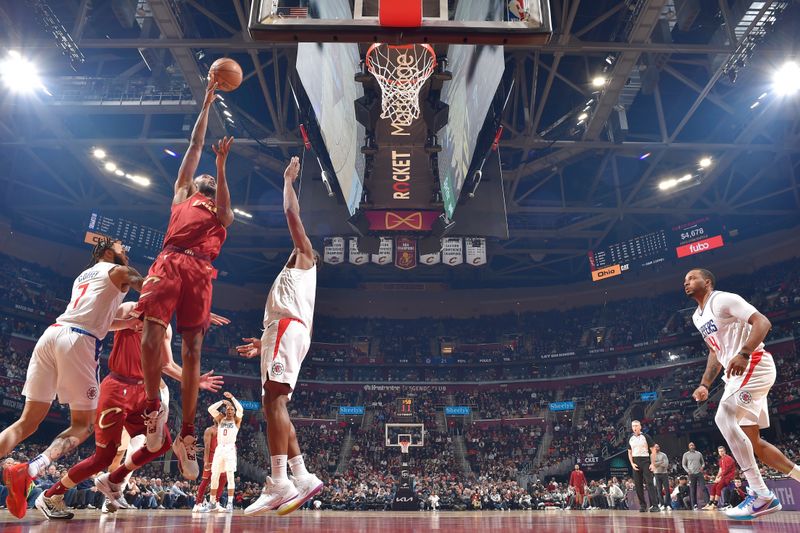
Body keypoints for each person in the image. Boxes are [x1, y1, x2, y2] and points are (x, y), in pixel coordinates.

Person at [131, 76, 235, 480]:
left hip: (200, 272)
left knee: (193, 350)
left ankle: (187, 433)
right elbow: (194, 148)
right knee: (152, 335)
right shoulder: (182, 194)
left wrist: (223, 165)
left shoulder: (220, 212)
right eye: (206, 175)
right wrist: (207, 103)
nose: (205, 175)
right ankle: (154, 409)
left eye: (211, 178)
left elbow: (226, 209)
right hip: (170, 261)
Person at [36, 302, 224, 519]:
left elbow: (166, 365)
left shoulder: (166, 327)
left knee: (162, 443)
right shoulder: (130, 309)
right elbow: (99, 325)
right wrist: (128, 323)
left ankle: (113, 478)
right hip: (117, 388)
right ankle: (51, 495)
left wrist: (194, 379)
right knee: (102, 458)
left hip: (143, 390)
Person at [1, 238, 143, 519]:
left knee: (26, 422)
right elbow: (150, 286)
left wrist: (126, 323)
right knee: (83, 425)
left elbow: (98, 318)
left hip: (52, 334)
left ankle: (25, 473)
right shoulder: (120, 272)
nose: (126, 251)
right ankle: (30, 471)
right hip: (78, 342)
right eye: (120, 248)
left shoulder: (84, 276)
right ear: (106, 253)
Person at [237, 156, 323, 516]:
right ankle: (301, 477)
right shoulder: (296, 282)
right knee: (275, 403)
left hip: (287, 330)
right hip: (285, 332)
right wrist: (266, 342)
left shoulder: (304, 256)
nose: (295, 243)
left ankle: (278, 482)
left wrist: (288, 181)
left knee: (274, 402)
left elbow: (291, 215)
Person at [685, 268, 800, 520]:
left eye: (692, 277)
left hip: (753, 363)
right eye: (685, 280)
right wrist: (705, 384)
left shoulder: (723, 299)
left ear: (708, 281)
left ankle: (762, 495)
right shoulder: (697, 316)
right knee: (754, 443)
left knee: (723, 417)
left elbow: (763, 322)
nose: (687, 281)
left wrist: (744, 352)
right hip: (736, 373)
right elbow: (715, 352)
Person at [205, 392, 243, 513]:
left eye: (232, 409)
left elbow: (241, 408)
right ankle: (212, 502)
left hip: (230, 449)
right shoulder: (220, 419)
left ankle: (230, 503)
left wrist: (232, 398)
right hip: (219, 448)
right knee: (214, 475)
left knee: (230, 476)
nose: (230, 411)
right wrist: (222, 401)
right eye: (228, 409)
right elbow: (210, 409)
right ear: (225, 410)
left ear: (234, 411)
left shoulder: (237, 420)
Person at [193, 423, 227, 512]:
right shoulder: (210, 430)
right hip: (212, 457)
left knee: (223, 479)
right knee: (206, 480)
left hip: (222, 458)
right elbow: (207, 446)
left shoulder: (225, 430)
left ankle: (215, 503)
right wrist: (206, 461)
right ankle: (198, 504)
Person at [627, 420, 659, 513]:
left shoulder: (646, 436)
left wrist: (652, 463)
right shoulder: (630, 438)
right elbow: (629, 452)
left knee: (649, 483)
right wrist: (632, 463)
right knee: (638, 485)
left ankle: (655, 505)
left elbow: (653, 450)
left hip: (645, 460)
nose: (635, 427)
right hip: (635, 461)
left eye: (636, 425)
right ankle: (643, 505)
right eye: (633, 426)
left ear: (640, 427)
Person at [706, 445, 737, 510]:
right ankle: (710, 503)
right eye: (719, 451)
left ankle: (715, 504)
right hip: (723, 476)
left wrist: (720, 478)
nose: (721, 453)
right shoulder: (721, 459)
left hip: (728, 477)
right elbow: (720, 469)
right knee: (714, 486)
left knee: (718, 487)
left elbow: (726, 470)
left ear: (725, 451)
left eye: (722, 451)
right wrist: (717, 477)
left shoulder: (729, 459)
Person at [682, 442, 706, 510]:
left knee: (703, 488)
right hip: (691, 474)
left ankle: (707, 503)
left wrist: (702, 467)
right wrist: (687, 471)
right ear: (688, 447)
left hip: (699, 473)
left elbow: (703, 463)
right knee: (693, 490)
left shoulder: (699, 453)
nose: (691, 446)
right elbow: (683, 464)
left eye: (692, 445)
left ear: (694, 446)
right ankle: (694, 505)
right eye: (690, 445)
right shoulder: (686, 454)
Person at [651, 443, 670, 510]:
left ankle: (668, 504)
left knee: (667, 489)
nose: (657, 448)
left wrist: (657, 463)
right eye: (655, 447)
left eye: (658, 447)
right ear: (653, 448)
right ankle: (662, 504)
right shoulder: (652, 456)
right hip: (656, 473)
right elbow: (654, 465)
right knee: (659, 490)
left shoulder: (663, 455)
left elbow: (665, 464)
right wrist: (660, 462)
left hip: (664, 473)